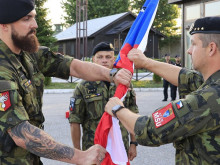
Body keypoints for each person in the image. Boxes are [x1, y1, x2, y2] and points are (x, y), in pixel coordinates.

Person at [0, 0, 132, 164]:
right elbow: (20, 132)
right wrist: (81, 156)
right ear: (4, 25)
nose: (35, 25)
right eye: (26, 19)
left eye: (34, 17)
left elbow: (73, 66)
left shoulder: (28, 54)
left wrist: (112, 74)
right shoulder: (2, 70)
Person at [105, 17, 220, 164]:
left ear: (211, 48)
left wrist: (117, 108)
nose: (189, 51)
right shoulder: (212, 84)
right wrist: (146, 62)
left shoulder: (209, 98)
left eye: (193, 44)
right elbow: (187, 77)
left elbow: (150, 129)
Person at [68, 42, 139, 161]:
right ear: (93, 60)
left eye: (108, 57)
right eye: (100, 57)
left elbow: (133, 114)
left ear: (114, 59)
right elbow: (74, 121)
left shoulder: (124, 84)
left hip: (120, 147)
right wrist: (78, 154)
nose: (104, 60)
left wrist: (133, 143)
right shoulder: (83, 86)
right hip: (94, 149)